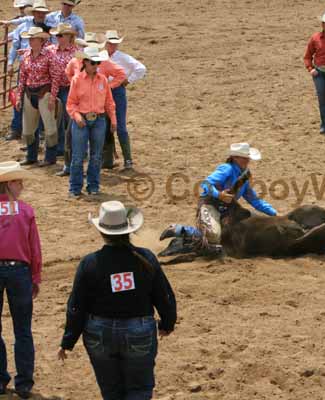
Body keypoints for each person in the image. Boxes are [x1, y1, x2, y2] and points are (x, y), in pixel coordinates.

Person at [58, 201, 177, 399]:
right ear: (128, 229)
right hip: (139, 330)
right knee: (139, 389)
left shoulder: (90, 263)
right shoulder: (145, 258)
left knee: (111, 391)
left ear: (102, 232)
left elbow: (77, 306)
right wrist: (167, 323)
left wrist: (68, 340)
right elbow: (163, 294)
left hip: (99, 333)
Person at [160, 143, 277, 246]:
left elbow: (254, 200)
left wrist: (273, 213)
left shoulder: (244, 176)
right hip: (211, 204)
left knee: (252, 226)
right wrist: (219, 195)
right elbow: (206, 183)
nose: (247, 161)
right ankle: (180, 229)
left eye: (248, 158)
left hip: (229, 209)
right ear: (235, 158)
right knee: (214, 236)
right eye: (244, 158)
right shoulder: (227, 169)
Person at [0, 161, 42, 399]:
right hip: (19, 272)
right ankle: (24, 383)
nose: (22, 185)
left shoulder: (26, 210)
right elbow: (34, 248)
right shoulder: (26, 211)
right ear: (7, 184)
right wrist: (35, 276)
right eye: (18, 181)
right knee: (23, 329)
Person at [66, 47, 117, 197]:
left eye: (98, 63)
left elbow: (109, 102)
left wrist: (113, 119)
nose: (96, 66)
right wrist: (77, 116)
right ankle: (75, 188)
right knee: (78, 155)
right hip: (82, 118)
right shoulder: (76, 80)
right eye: (93, 63)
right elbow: (70, 104)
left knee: (96, 155)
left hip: (99, 119)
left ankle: (93, 186)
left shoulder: (103, 80)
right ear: (85, 62)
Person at [4, 0, 51, 142]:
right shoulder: (23, 27)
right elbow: (15, 46)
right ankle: (16, 128)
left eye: (43, 13)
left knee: (43, 100)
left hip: (44, 69)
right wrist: (11, 63)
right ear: (34, 13)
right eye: (39, 12)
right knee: (21, 97)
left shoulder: (48, 28)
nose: (41, 15)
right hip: (26, 66)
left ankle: (41, 130)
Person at [16, 26, 60, 167]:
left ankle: (50, 157)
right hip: (29, 93)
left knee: (49, 127)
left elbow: (55, 77)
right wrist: (19, 96)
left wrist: (53, 97)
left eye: (33, 38)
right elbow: (22, 78)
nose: (31, 41)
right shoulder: (26, 56)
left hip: (44, 93)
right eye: (30, 38)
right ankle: (31, 156)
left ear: (41, 40)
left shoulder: (49, 55)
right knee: (28, 128)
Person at [103, 30, 147, 169]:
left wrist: (128, 80)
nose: (112, 46)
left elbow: (141, 68)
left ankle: (127, 160)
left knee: (120, 126)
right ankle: (108, 159)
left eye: (114, 44)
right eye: (110, 43)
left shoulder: (122, 57)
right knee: (104, 126)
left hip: (116, 91)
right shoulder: (103, 57)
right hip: (104, 92)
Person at [49, 23, 77, 162]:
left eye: (61, 35)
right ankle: (60, 147)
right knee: (56, 118)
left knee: (68, 118)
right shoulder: (50, 50)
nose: (58, 38)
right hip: (53, 88)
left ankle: (69, 147)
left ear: (68, 37)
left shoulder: (76, 52)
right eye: (57, 36)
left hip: (69, 88)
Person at [8, 0, 84, 40]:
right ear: (62, 4)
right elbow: (32, 19)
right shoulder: (53, 16)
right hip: (53, 48)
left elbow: (81, 36)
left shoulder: (78, 21)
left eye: (69, 5)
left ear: (72, 7)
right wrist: (11, 22)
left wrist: (71, 32)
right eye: (65, 4)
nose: (66, 7)